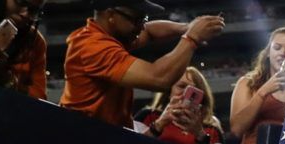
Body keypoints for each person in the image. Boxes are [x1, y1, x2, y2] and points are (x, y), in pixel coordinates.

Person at [60, 0, 225, 128]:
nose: (141, 26)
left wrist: (187, 27)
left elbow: (150, 31)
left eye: (143, 18)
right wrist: (191, 38)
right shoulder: (93, 46)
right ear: (111, 14)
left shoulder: (111, 37)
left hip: (98, 135)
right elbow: (159, 78)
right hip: (83, 138)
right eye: (136, 19)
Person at [230, 27, 285, 144]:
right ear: (268, 52)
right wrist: (263, 92)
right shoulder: (248, 83)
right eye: (277, 47)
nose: (282, 53)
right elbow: (237, 129)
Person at [138, 66, 229, 144]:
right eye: (181, 86)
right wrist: (159, 124)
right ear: (169, 91)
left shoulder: (211, 130)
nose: (186, 94)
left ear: (202, 98)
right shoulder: (148, 115)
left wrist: (200, 134)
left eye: (194, 91)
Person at [0, 0, 46, 99]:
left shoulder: (35, 42)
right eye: (21, 3)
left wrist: (5, 76)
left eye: (33, 10)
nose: (25, 14)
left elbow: (38, 100)